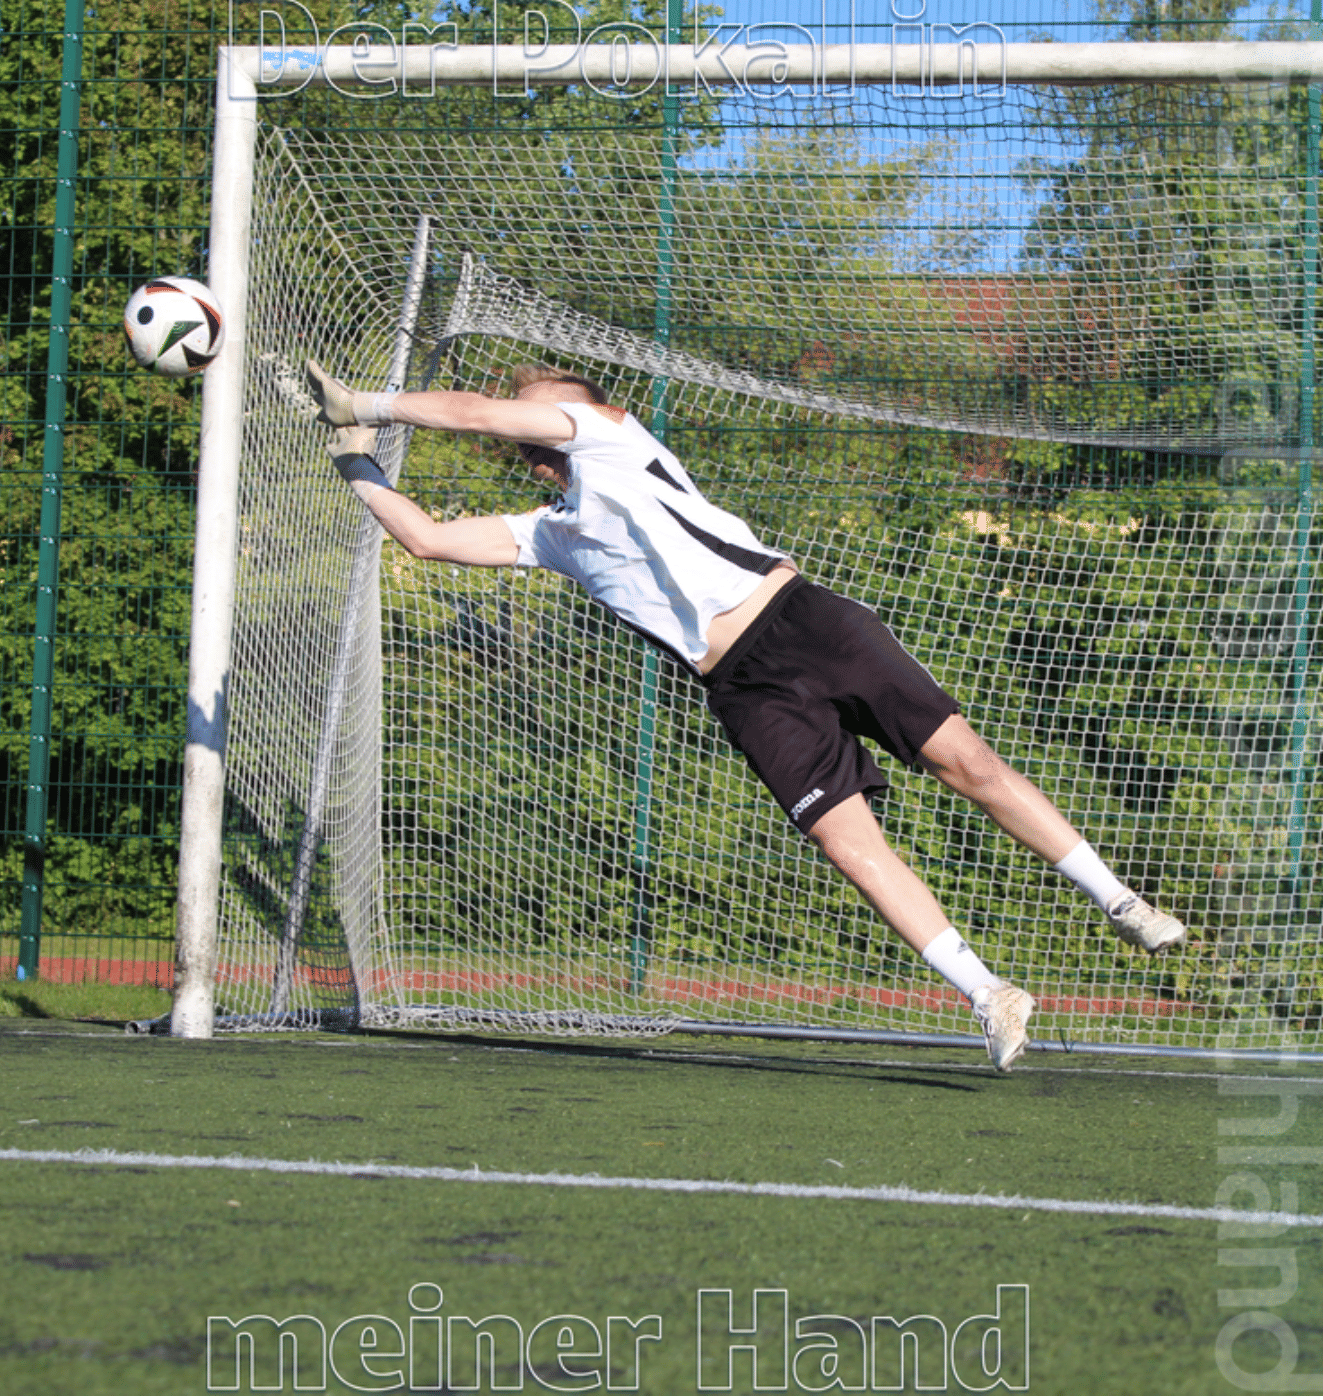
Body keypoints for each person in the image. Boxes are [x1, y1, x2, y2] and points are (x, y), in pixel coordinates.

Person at [304, 359, 1187, 1071]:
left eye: (537, 412)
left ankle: (1118, 900)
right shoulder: (551, 532)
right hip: (742, 687)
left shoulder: (615, 438)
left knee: (969, 766)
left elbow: (489, 415)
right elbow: (424, 536)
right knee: (849, 845)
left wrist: (374, 401)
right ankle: (987, 994)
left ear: (586, 414)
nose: (525, 426)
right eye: (524, 421)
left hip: (806, 622)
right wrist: (352, 450)